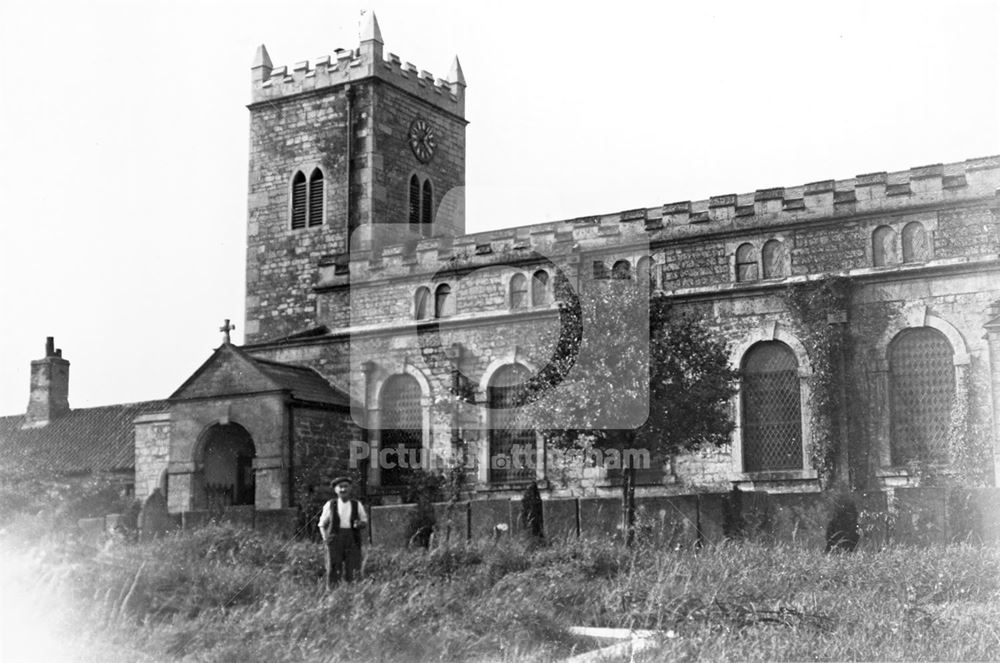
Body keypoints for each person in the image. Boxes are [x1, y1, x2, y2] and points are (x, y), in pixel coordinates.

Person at [318, 476, 368, 588]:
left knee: (354, 568)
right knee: (334, 567)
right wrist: (326, 538)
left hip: (352, 539)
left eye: (346, 487)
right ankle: (333, 594)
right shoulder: (331, 504)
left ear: (350, 488)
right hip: (335, 539)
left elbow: (364, 521)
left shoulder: (356, 504)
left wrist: (359, 524)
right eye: (340, 487)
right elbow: (321, 524)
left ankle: (353, 593)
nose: (343, 490)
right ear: (336, 490)